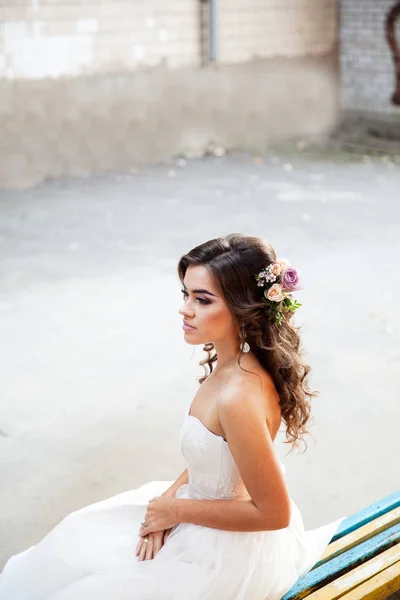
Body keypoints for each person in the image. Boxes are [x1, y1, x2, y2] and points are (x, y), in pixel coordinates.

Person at [0, 233, 347, 600]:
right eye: (186, 294)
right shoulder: (236, 366)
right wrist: (162, 507)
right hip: (199, 510)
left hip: (226, 553)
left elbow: (275, 514)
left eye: (202, 299)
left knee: (90, 585)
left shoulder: (238, 397)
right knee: (75, 542)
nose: (185, 309)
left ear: (243, 308)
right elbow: (216, 459)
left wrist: (175, 510)